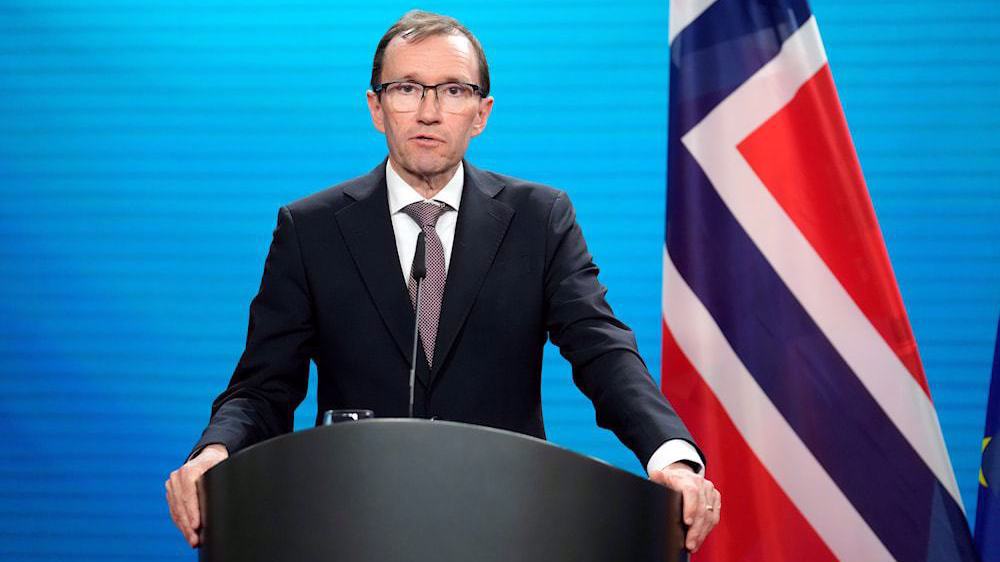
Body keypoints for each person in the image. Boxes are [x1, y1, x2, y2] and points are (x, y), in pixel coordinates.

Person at [166, 9, 720, 553]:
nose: (429, 111)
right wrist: (215, 453)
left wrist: (670, 456)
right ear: (376, 108)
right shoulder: (310, 229)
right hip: (353, 524)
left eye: (453, 91)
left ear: (482, 113)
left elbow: (602, 350)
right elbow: (263, 386)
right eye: (407, 88)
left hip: (506, 523)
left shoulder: (539, 218)